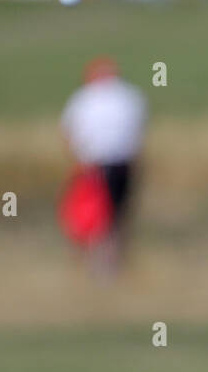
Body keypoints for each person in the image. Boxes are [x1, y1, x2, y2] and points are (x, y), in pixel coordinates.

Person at [58, 56, 147, 277]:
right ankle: (113, 267)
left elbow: (68, 133)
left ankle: (99, 269)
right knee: (117, 216)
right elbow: (138, 132)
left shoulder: (83, 98)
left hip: (93, 166)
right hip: (123, 164)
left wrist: (77, 161)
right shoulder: (130, 96)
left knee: (95, 217)